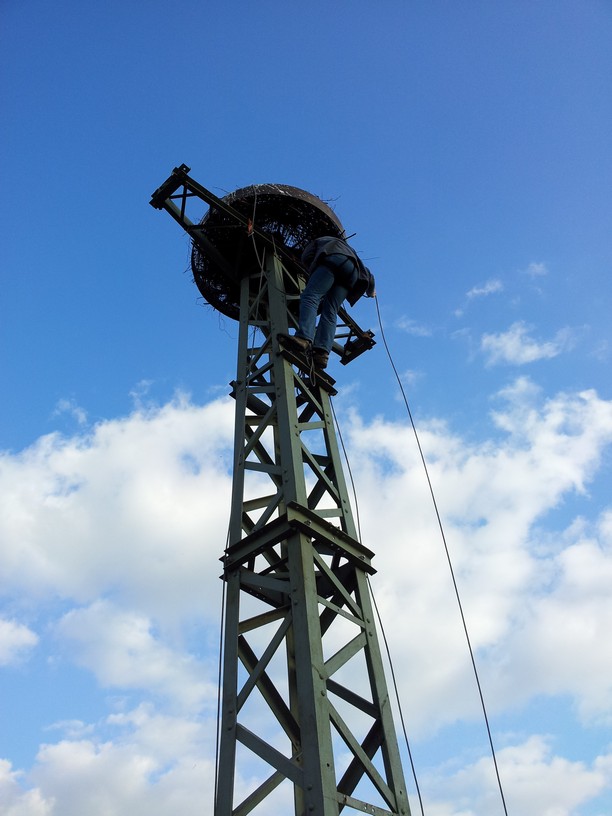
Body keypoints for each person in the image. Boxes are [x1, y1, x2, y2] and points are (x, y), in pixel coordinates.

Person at [279, 236, 376, 369]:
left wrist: (313, 273)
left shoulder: (319, 240)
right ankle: (322, 353)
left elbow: (306, 257)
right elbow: (370, 276)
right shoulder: (351, 253)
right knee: (331, 311)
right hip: (351, 274)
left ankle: (304, 338)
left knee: (311, 296)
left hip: (333, 261)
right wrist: (371, 292)